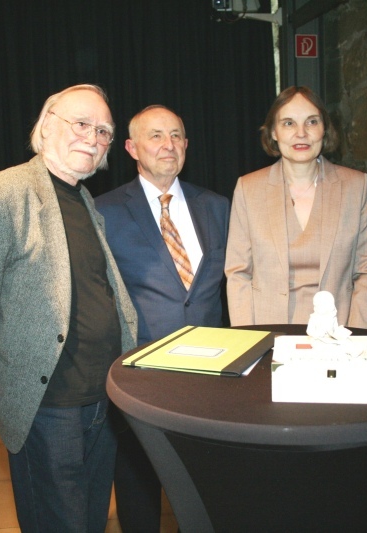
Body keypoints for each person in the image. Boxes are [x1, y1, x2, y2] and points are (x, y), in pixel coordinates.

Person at [0, 84, 138, 532]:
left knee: (91, 519)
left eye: (103, 132)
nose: (93, 139)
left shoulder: (83, 198)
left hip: (101, 397)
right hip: (48, 404)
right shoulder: (3, 194)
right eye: (81, 124)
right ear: (46, 124)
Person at [95, 105, 230, 532]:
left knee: (208, 493)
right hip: (142, 376)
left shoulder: (219, 207)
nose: (168, 145)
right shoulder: (103, 211)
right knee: (139, 494)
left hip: (212, 378)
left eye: (176, 135)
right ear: (132, 148)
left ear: (187, 146)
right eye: (156, 136)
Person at [225, 86, 367, 328]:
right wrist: (248, 338)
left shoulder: (355, 187)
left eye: (311, 122)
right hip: (267, 335)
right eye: (288, 123)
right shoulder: (248, 189)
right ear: (274, 132)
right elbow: (238, 274)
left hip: (337, 339)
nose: (301, 133)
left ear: (324, 129)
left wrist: (356, 337)